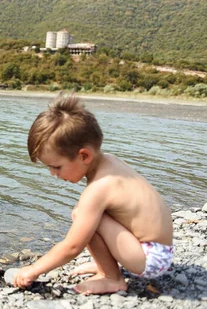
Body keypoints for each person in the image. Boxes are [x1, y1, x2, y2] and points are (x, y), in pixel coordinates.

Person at [14, 93, 173, 294]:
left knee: (83, 215)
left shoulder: (99, 189)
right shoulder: (110, 162)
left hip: (149, 259)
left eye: (56, 167)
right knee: (88, 214)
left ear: (84, 155)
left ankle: (112, 278)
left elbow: (73, 246)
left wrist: (34, 270)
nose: (53, 174)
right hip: (159, 250)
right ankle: (106, 267)